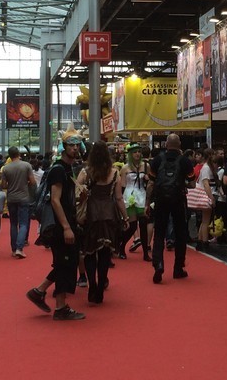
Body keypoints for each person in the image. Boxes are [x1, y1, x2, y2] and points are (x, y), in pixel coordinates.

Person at [26, 134, 85, 321]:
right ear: (64, 147)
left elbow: (65, 198)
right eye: (71, 145)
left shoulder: (67, 168)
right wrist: (66, 227)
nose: (75, 148)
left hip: (66, 222)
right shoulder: (59, 169)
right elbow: (55, 200)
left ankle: (39, 292)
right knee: (65, 262)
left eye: (77, 145)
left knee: (65, 262)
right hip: (61, 225)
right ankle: (59, 307)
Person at [74, 142, 127, 304]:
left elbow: (76, 195)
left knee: (89, 252)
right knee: (105, 253)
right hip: (109, 214)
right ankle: (101, 284)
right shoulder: (114, 173)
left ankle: (92, 284)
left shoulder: (85, 172)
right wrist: (125, 217)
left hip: (91, 215)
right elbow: (118, 198)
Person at [146, 133, 192, 284]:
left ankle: (158, 264)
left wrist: (147, 203)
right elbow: (192, 181)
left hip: (161, 200)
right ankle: (178, 267)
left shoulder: (157, 160)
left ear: (166, 144)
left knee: (159, 232)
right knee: (180, 234)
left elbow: (151, 182)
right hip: (178, 200)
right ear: (179, 145)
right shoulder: (185, 160)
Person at [0, 146, 36, 258]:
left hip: (11, 198)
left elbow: (3, 185)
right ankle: (20, 247)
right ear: (19, 154)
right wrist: (25, 184)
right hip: (24, 197)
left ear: (9, 155)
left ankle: (14, 249)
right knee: (23, 223)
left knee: (13, 224)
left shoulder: (6, 168)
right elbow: (33, 182)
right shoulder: (26, 165)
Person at [122, 144, 151, 261]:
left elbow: (151, 182)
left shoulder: (146, 166)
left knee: (143, 224)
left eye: (139, 151)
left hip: (142, 196)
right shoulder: (125, 168)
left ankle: (145, 253)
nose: (137, 154)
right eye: (134, 152)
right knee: (132, 226)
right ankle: (121, 246)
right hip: (129, 196)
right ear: (130, 154)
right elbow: (122, 186)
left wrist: (148, 180)